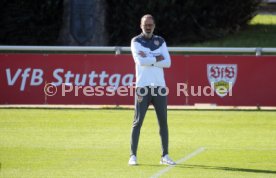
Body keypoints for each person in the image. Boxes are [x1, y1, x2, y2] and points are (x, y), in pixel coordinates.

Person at [128, 14, 175, 166]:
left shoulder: (160, 41)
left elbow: (168, 63)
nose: (148, 26)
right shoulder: (136, 41)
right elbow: (140, 61)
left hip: (160, 87)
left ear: (154, 25)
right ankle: (133, 156)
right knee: (137, 122)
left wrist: (150, 59)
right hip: (142, 87)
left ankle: (165, 155)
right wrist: (156, 58)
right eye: (145, 24)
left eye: (150, 24)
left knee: (163, 123)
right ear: (141, 25)